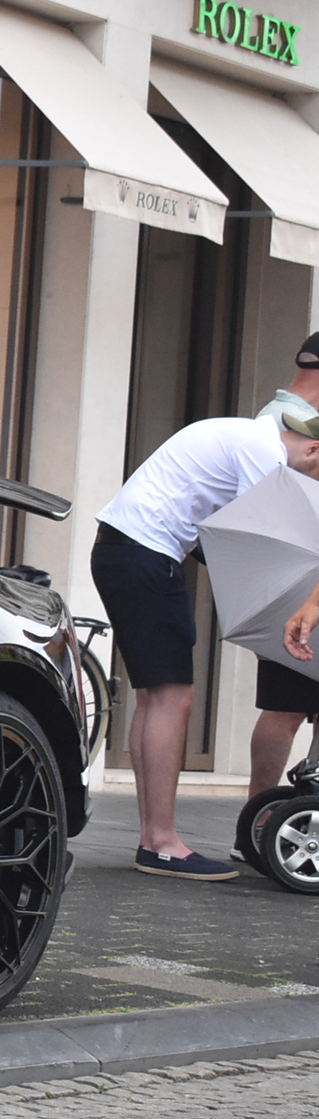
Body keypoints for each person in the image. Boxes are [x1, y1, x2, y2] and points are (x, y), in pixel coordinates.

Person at [95, 406, 319, 880]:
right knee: (173, 699)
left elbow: (220, 542)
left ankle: (153, 838)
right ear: (314, 449)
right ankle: (161, 843)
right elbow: (274, 532)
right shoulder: (263, 452)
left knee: (157, 698)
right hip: (145, 554)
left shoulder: (235, 435)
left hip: (131, 552)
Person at [246, 333, 319, 818]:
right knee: (287, 706)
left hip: (299, 575)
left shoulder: (282, 417)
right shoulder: (278, 425)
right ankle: (255, 817)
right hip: (294, 577)